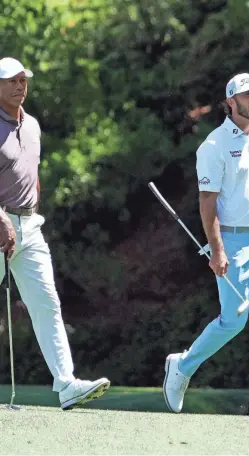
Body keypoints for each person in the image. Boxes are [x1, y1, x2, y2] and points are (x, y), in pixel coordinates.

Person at [163, 73, 249, 419]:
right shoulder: (213, 145)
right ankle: (182, 365)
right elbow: (208, 202)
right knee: (233, 320)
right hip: (232, 241)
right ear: (230, 102)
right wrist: (217, 249)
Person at [0, 57, 110, 410]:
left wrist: (29, 215)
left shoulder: (31, 125)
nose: (20, 86)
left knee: (47, 303)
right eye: (12, 81)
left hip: (30, 227)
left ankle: (66, 384)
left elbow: (32, 175)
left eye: (23, 80)